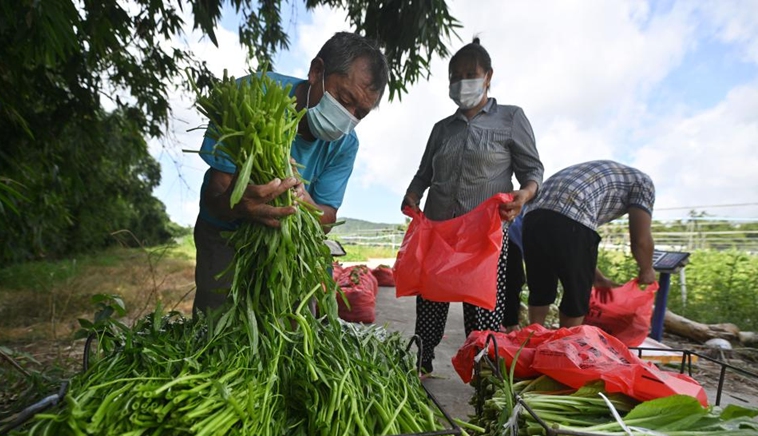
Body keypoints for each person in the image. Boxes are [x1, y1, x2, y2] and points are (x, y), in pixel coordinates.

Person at [193, 32, 389, 317]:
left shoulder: (346, 145)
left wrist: (304, 202)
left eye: (361, 113)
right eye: (344, 99)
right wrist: (239, 203)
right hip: (226, 235)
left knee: (293, 328)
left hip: (289, 244)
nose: (349, 117)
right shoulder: (252, 95)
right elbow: (216, 193)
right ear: (316, 71)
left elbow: (327, 218)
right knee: (216, 327)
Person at [401, 38, 544, 375]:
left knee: (482, 305)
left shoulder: (511, 118)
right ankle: (422, 361)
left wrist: (524, 195)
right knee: (431, 299)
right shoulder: (441, 129)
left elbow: (532, 170)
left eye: (470, 74)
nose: (461, 82)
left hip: (485, 234)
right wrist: (412, 195)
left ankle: (483, 368)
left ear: (488, 76)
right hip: (441, 229)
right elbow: (424, 173)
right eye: (455, 76)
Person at [522, 160, 657, 328]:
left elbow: (573, 254)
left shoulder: (608, 174)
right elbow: (640, 239)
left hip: (532, 216)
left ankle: (531, 339)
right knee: (576, 296)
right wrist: (647, 269)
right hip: (573, 211)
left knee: (541, 288)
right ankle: (564, 348)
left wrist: (598, 279)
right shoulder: (644, 183)